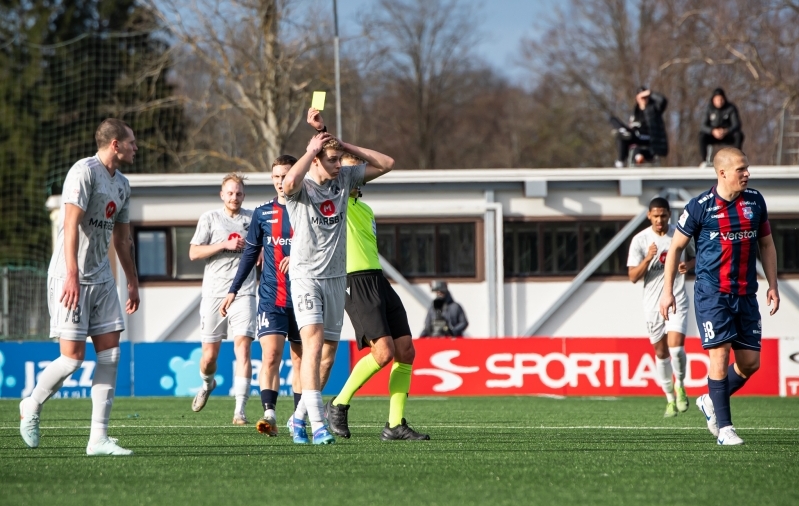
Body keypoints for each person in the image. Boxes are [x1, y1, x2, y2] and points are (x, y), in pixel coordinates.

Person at [19, 118, 140, 456]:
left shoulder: (124, 184)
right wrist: (71, 274)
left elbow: (122, 238)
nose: (136, 147)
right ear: (115, 144)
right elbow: (70, 225)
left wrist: (132, 279)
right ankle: (32, 404)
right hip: (69, 276)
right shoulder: (83, 172)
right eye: (131, 141)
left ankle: (97, 439)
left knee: (111, 354)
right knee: (72, 360)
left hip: (102, 277)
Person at [282, 107, 394, 445]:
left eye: (339, 160)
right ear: (316, 160)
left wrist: (343, 143)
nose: (338, 165)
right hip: (306, 277)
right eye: (332, 160)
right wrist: (311, 150)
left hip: (335, 279)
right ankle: (318, 426)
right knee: (313, 344)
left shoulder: (344, 180)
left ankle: (297, 419)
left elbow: (387, 164)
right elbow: (288, 182)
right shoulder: (302, 188)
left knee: (327, 355)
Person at [659, 147, 780, 446]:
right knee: (719, 353)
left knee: (751, 363)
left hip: (746, 294)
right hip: (713, 294)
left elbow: (766, 244)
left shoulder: (755, 201)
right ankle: (725, 429)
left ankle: (710, 400)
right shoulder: (700, 206)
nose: (747, 174)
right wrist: (667, 291)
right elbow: (675, 248)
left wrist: (773, 285)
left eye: (747, 168)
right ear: (722, 173)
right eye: (741, 169)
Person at [325, 153, 430, 441]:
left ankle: (395, 424)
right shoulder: (335, 201)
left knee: (406, 350)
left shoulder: (367, 209)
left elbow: (387, 162)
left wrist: (348, 148)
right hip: (353, 281)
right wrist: (326, 138)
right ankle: (337, 405)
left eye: (353, 171)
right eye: (342, 170)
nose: (349, 175)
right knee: (383, 353)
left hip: (377, 279)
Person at [221, 155, 304, 439]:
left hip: (305, 297)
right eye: (276, 176)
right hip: (272, 296)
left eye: (286, 175)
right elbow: (249, 255)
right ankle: (269, 413)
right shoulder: (262, 213)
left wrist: (299, 257)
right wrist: (233, 289)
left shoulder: (308, 210)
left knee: (301, 360)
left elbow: (324, 247)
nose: (281, 181)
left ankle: (299, 417)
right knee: (270, 355)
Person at [188, 173, 256, 425]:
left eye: (238, 193)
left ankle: (239, 411)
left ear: (243, 195)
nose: (234, 197)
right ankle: (208, 384)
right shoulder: (210, 219)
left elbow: (264, 246)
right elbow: (194, 252)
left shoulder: (253, 218)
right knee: (209, 357)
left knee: (244, 349)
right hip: (214, 293)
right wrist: (223, 245)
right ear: (222, 195)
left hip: (244, 292)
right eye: (230, 193)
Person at [627, 197, 695, 417]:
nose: (659, 220)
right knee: (661, 352)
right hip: (652, 304)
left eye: (663, 215)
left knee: (676, 348)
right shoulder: (640, 240)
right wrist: (647, 259)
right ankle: (669, 399)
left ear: (669, 215)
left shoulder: (680, 234)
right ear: (649, 216)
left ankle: (681, 385)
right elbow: (632, 277)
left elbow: (698, 256)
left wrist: (689, 265)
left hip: (676, 297)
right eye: (655, 216)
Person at [611, 87, 669, 167]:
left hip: (647, 135)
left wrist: (649, 93)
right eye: (641, 98)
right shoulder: (636, 111)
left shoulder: (654, 109)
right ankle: (620, 161)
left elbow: (663, 100)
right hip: (634, 133)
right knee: (615, 123)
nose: (644, 100)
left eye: (645, 98)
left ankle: (636, 155)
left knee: (628, 135)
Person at [699, 88, 744, 166]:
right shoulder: (709, 109)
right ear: (713, 100)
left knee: (739, 135)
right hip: (713, 135)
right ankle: (704, 161)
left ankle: (736, 160)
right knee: (701, 135)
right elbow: (703, 125)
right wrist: (712, 131)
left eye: (721, 99)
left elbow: (737, 124)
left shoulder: (731, 108)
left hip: (727, 134)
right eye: (717, 99)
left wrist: (726, 131)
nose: (719, 102)